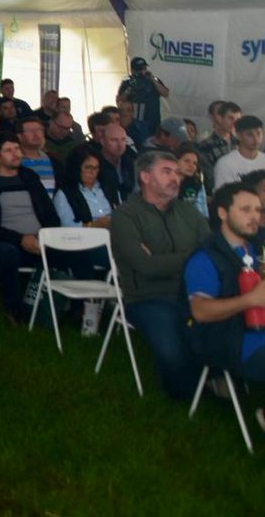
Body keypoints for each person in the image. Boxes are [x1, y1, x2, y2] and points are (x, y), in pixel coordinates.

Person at [110, 151, 207, 400]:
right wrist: (191, 257)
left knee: (223, 331)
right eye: (167, 172)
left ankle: (215, 382)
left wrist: (164, 259)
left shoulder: (188, 212)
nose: (175, 178)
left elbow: (210, 253)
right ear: (145, 176)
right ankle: (190, 396)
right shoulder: (125, 216)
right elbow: (146, 267)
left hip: (193, 292)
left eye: (177, 173)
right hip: (147, 297)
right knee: (173, 351)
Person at [0, 133, 96, 324]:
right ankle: (15, 311)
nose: (15, 154)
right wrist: (20, 239)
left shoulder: (29, 177)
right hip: (7, 241)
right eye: (8, 150)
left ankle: (81, 308)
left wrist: (45, 236)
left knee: (79, 253)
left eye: (17, 149)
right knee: (7, 253)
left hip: (40, 240)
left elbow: (49, 213)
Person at [183, 182, 265, 386]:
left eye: (257, 210)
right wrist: (250, 300)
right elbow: (200, 311)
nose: (254, 216)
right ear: (222, 213)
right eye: (245, 210)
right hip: (229, 341)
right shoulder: (205, 257)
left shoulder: (253, 249)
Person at [198, 100, 241, 191]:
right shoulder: (205, 145)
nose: (234, 123)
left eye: (237, 120)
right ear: (219, 118)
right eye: (230, 118)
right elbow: (210, 177)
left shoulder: (240, 143)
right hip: (221, 192)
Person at [214, 115, 265, 190]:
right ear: (238, 135)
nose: (256, 139)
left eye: (259, 133)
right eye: (249, 135)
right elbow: (222, 194)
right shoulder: (225, 164)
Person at [175, 143, 210, 218]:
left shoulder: (197, 184)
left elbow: (203, 214)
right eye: (187, 161)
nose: (191, 166)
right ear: (176, 161)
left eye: (195, 163)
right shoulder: (165, 182)